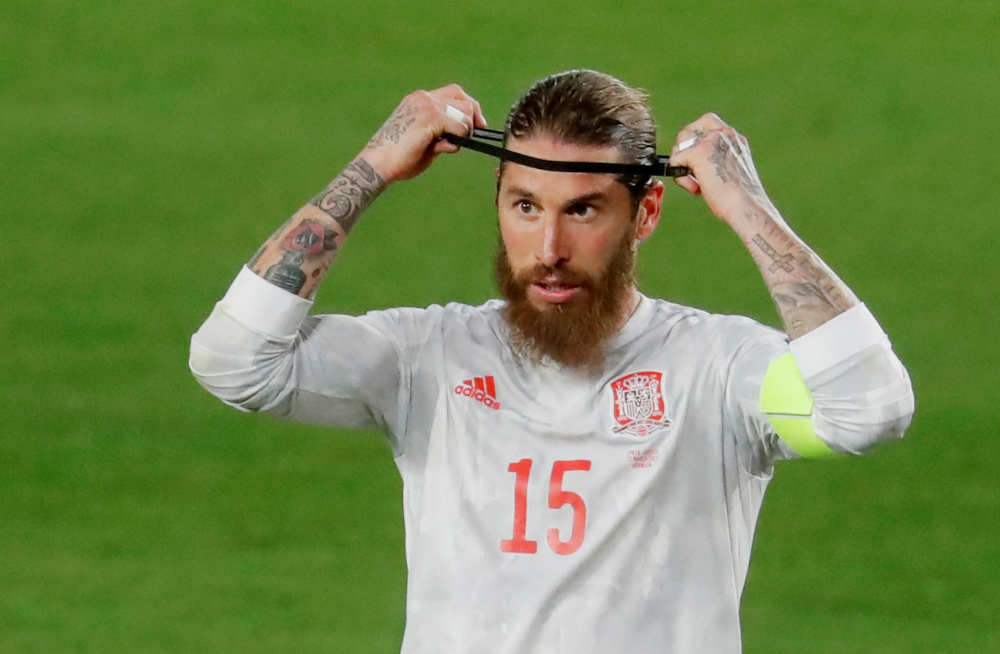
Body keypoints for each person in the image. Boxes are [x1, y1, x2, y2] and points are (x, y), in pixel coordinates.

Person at [189, 70, 914, 653]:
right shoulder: (429, 358)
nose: (549, 251)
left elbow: (871, 408)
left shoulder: (716, 368)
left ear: (648, 212)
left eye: (585, 210)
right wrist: (373, 165)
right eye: (526, 207)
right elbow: (234, 363)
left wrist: (745, 205)